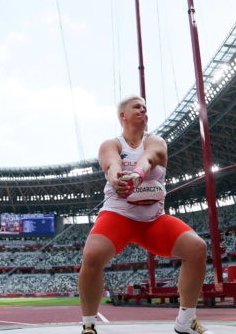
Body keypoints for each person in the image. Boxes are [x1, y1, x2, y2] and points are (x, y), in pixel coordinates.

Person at [78, 96, 212, 334]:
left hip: (153, 219)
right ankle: (89, 322)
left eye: (145, 108)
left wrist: (138, 175)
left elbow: (149, 158)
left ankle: (185, 321)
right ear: (123, 116)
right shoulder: (111, 143)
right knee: (92, 255)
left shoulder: (156, 141)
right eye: (136, 107)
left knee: (196, 248)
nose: (143, 111)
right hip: (118, 214)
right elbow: (111, 164)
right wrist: (117, 178)